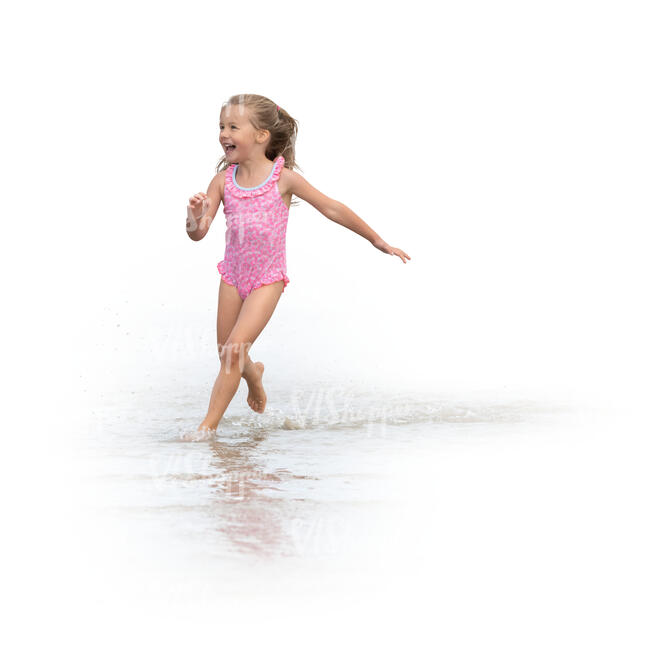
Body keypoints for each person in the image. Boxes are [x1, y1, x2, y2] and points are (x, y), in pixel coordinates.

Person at [185, 93, 411, 436]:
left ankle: (206, 429)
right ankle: (255, 376)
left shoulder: (283, 178)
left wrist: (376, 240)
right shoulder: (221, 182)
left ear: (262, 135)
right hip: (231, 276)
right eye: (221, 126)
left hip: (267, 279)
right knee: (227, 353)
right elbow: (198, 234)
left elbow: (331, 207)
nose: (223, 133)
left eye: (233, 126)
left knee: (233, 351)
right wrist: (193, 218)